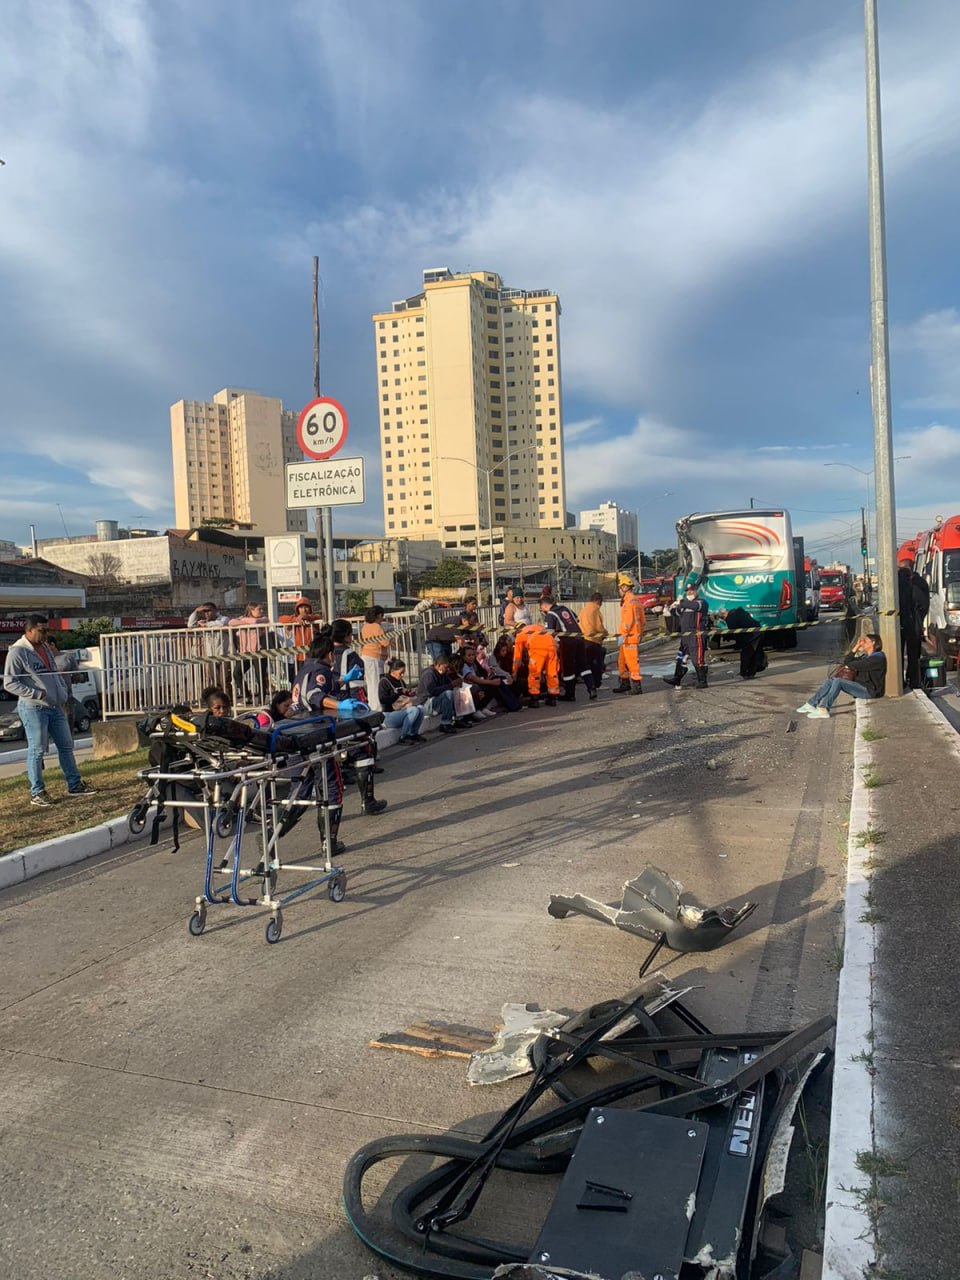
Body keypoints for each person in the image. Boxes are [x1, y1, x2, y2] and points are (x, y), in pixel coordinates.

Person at [290, 633, 387, 818]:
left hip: (300, 726)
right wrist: (340, 705)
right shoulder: (321, 670)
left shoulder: (306, 667)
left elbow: (329, 685)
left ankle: (272, 830)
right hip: (314, 729)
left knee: (301, 790)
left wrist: (345, 679)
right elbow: (314, 695)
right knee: (331, 786)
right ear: (328, 654)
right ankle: (365, 804)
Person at [2, 615, 95, 806]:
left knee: (66, 745)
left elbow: (55, 674)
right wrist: (37, 694)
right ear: (29, 631)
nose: (45, 635)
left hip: (56, 706)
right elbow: (9, 683)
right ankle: (37, 791)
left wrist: (61, 693)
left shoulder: (45, 648)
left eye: (47, 630)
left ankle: (74, 784)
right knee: (37, 750)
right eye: (41, 631)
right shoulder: (18, 652)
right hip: (33, 707)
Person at [796, 634, 887, 718]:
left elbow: (851, 664)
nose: (862, 643)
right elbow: (846, 661)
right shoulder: (865, 657)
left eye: (865, 641)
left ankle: (824, 709)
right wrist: (856, 647)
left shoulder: (877, 659)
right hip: (861, 686)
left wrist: (850, 662)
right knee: (831, 680)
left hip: (870, 691)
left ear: (873, 643)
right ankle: (811, 704)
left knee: (838, 681)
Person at [540, 596, 596, 702]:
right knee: (584, 665)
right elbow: (576, 619)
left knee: (568, 667)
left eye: (542, 608)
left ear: (544, 605)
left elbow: (549, 633)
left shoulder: (550, 615)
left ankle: (570, 694)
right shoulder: (566, 608)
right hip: (579, 638)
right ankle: (592, 688)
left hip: (567, 642)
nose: (542, 610)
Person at [664, 582, 710, 689]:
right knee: (680, 657)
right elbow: (676, 612)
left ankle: (702, 681)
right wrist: (668, 608)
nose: (689, 592)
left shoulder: (701, 602)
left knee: (697, 659)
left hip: (696, 635)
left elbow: (693, 606)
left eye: (692, 590)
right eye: (688, 591)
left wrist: (681, 602)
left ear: (696, 591)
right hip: (685, 637)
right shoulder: (684, 605)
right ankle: (677, 679)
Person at [460, 642, 522, 714]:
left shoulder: (473, 665)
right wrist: (491, 682)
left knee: (498, 679)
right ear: (463, 657)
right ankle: (513, 705)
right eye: (469, 655)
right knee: (494, 684)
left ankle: (513, 704)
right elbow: (473, 679)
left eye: (473, 655)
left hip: (478, 685)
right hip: (471, 688)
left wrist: (491, 676)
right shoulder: (464, 666)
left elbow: (481, 677)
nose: (471, 657)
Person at [897, 556, 929, 690]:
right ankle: (914, 680)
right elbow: (924, 605)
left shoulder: (898, 583)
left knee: (898, 652)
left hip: (899, 624)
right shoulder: (921, 583)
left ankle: (900, 681)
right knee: (914, 654)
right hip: (914, 623)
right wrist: (919, 618)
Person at [512, 622, 560, 707]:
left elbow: (517, 657)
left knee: (534, 673)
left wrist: (514, 672)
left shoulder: (520, 634)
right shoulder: (535, 627)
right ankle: (552, 698)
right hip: (551, 646)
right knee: (552, 673)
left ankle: (534, 699)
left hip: (538, 648)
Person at [379, 659, 427, 744]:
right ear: (393, 671)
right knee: (414, 710)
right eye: (400, 673)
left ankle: (413, 733)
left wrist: (409, 693)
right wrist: (397, 693)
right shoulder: (384, 681)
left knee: (421, 709)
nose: (402, 675)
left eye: (403, 672)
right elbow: (383, 700)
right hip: (389, 714)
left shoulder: (401, 681)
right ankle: (404, 736)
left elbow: (404, 695)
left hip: (402, 710)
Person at [613, 574, 646, 695]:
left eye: (620, 588)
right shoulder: (635, 600)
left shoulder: (628, 602)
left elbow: (628, 621)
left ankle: (637, 687)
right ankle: (625, 683)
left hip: (629, 637)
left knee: (632, 663)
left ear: (625, 587)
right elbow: (642, 620)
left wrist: (623, 634)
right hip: (630, 636)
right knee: (622, 662)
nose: (619, 591)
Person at [716, 606, 767, 680]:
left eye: (723, 618)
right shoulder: (740, 611)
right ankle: (751, 673)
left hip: (751, 636)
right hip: (759, 631)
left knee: (745, 655)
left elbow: (735, 632)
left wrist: (738, 644)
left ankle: (744, 674)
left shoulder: (730, 618)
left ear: (723, 615)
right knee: (755, 653)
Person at [415, 654, 459, 734]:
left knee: (456, 692)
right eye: (446, 667)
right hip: (426, 704)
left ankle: (458, 718)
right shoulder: (429, 674)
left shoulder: (443, 674)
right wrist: (450, 685)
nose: (447, 670)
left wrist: (455, 684)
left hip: (435, 701)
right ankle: (445, 723)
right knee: (448, 693)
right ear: (439, 665)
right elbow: (432, 691)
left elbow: (449, 684)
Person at [359, 606, 391, 711]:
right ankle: (377, 708)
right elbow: (385, 642)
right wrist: (389, 636)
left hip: (365, 656)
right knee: (376, 684)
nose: (383, 618)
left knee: (370, 683)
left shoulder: (365, 627)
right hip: (374, 657)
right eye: (382, 616)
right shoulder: (377, 627)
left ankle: (372, 706)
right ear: (378, 616)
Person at [578, 592, 608, 690]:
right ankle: (597, 684)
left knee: (588, 664)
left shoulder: (584, 609)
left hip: (584, 639)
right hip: (594, 640)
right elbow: (598, 626)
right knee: (596, 664)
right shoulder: (594, 610)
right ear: (598, 601)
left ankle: (591, 684)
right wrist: (604, 633)